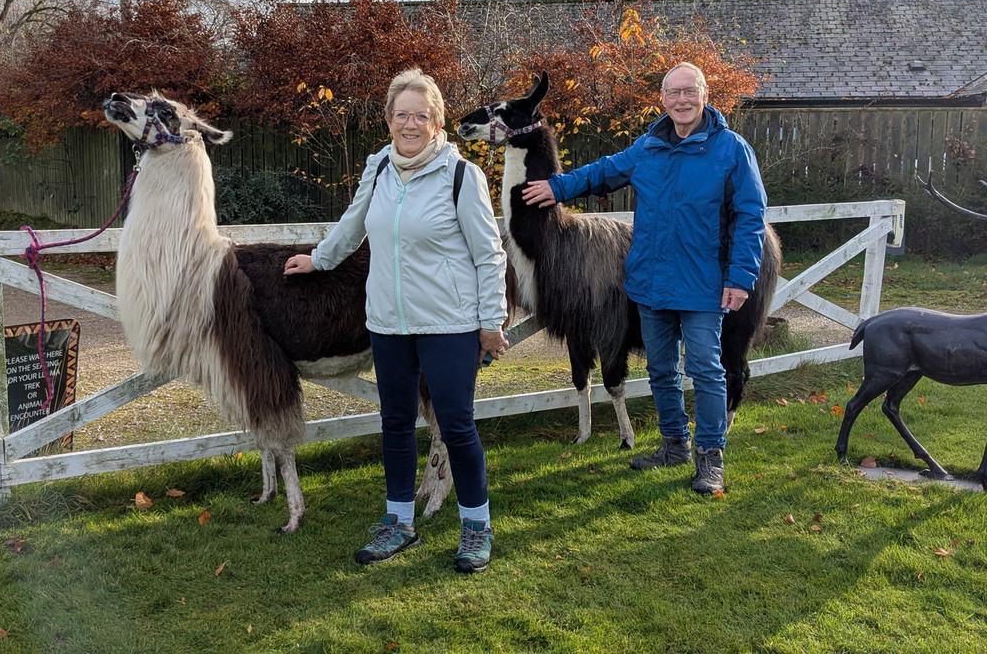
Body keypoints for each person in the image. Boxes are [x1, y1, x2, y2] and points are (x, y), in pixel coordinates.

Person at [284, 68, 509, 572]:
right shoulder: (380, 167)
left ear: (437, 122)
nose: (411, 124)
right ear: (388, 120)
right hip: (388, 323)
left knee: (455, 424)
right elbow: (354, 223)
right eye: (402, 114)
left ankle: (476, 526)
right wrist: (319, 259)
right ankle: (398, 522)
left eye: (421, 115)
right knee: (394, 423)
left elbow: (489, 254)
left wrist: (491, 322)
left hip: (449, 323)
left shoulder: (461, 176)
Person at [521, 62, 767, 494]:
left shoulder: (731, 150)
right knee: (660, 369)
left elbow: (751, 217)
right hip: (650, 282)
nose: (682, 100)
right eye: (673, 93)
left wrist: (742, 278)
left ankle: (711, 458)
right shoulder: (649, 146)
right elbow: (602, 172)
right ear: (663, 99)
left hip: (703, 283)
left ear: (705, 94)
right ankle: (674, 444)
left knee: (707, 370)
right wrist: (557, 188)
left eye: (690, 91)